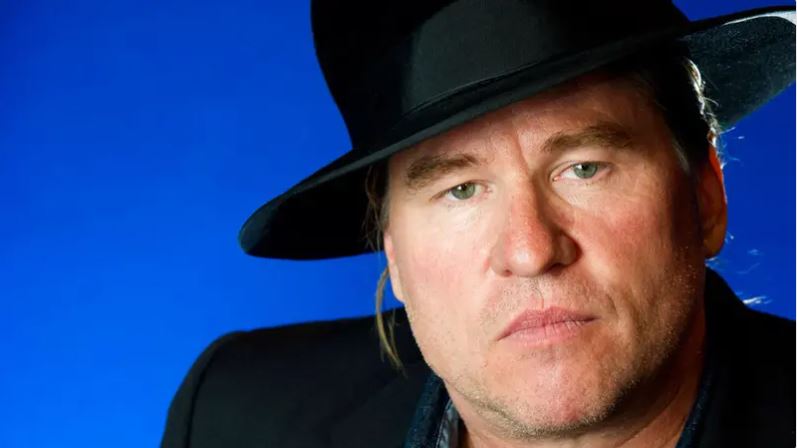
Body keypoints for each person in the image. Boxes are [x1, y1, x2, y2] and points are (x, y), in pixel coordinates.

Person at [161, 1, 795, 447]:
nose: (530, 249)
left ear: (705, 196)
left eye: (583, 168)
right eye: (460, 190)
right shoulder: (234, 419)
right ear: (393, 251)